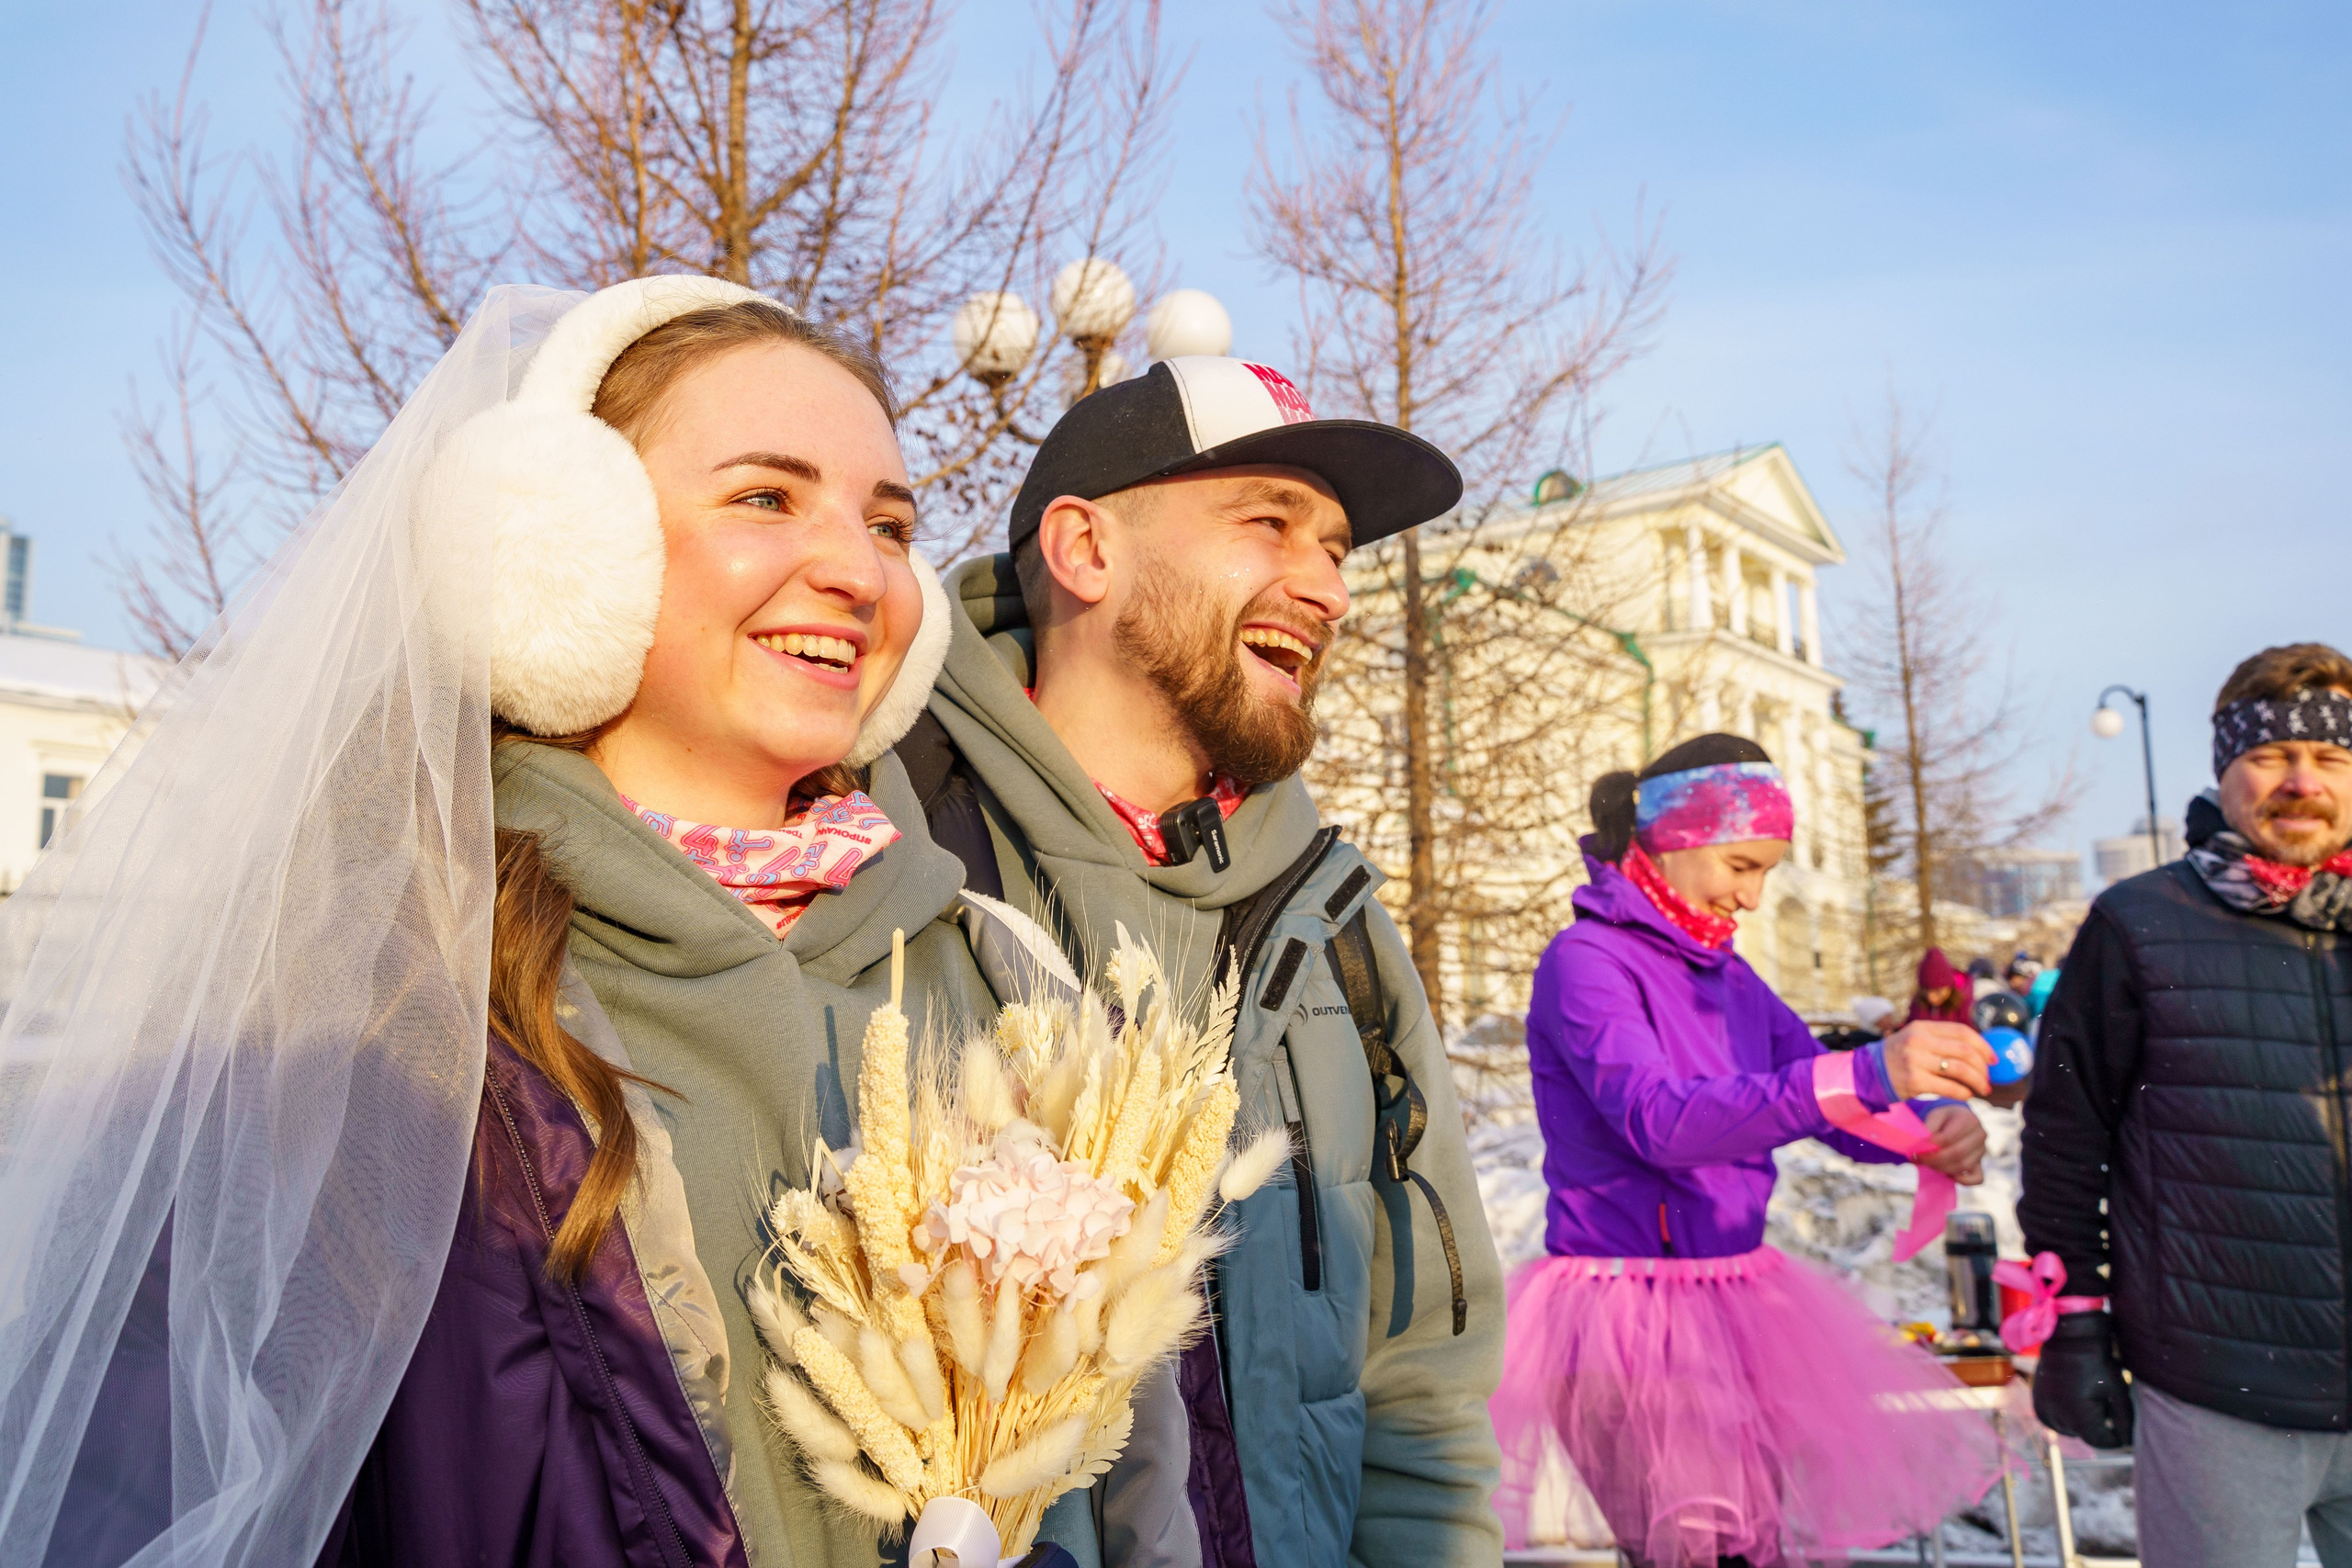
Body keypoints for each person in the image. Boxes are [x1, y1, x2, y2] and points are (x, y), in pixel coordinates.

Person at [11, 278, 1162, 1568]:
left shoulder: (1006, 976)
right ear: (561, 555)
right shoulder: (368, 997)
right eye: (766, 497)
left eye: (890, 524)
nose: (858, 570)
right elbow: (156, 1485)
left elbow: (1127, 1495)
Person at [896, 355, 1502, 1567]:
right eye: (1269, 523)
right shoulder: (899, 845)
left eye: (1336, 546)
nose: (1325, 584)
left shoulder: (1330, 909)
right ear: (1083, 547)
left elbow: (1421, 1361)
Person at [1491, 735, 2001, 1568]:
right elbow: (1659, 1121)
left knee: (1752, 1549)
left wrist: (1927, 1130)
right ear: (1675, 839)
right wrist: (1870, 1067)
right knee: (1686, 1554)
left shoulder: (1731, 979)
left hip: (1738, 1304)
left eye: (1768, 870)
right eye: (1742, 864)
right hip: (1626, 1318)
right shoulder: (1585, 962)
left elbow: (1827, 1101)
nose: (1755, 897)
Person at [2021, 642, 2352, 1568]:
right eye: (2268, 758)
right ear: (2225, 773)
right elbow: (2061, 1138)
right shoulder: (2138, 924)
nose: (2300, 782)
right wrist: (2073, 1322)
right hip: (2216, 1390)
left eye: (2329, 759)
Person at [1904, 946, 1973, 1024]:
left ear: (1950, 987)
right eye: (1926, 990)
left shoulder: (1965, 1007)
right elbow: (1910, 1026)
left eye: (1938, 991)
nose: (1931, 997)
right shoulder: (1918, 1005)